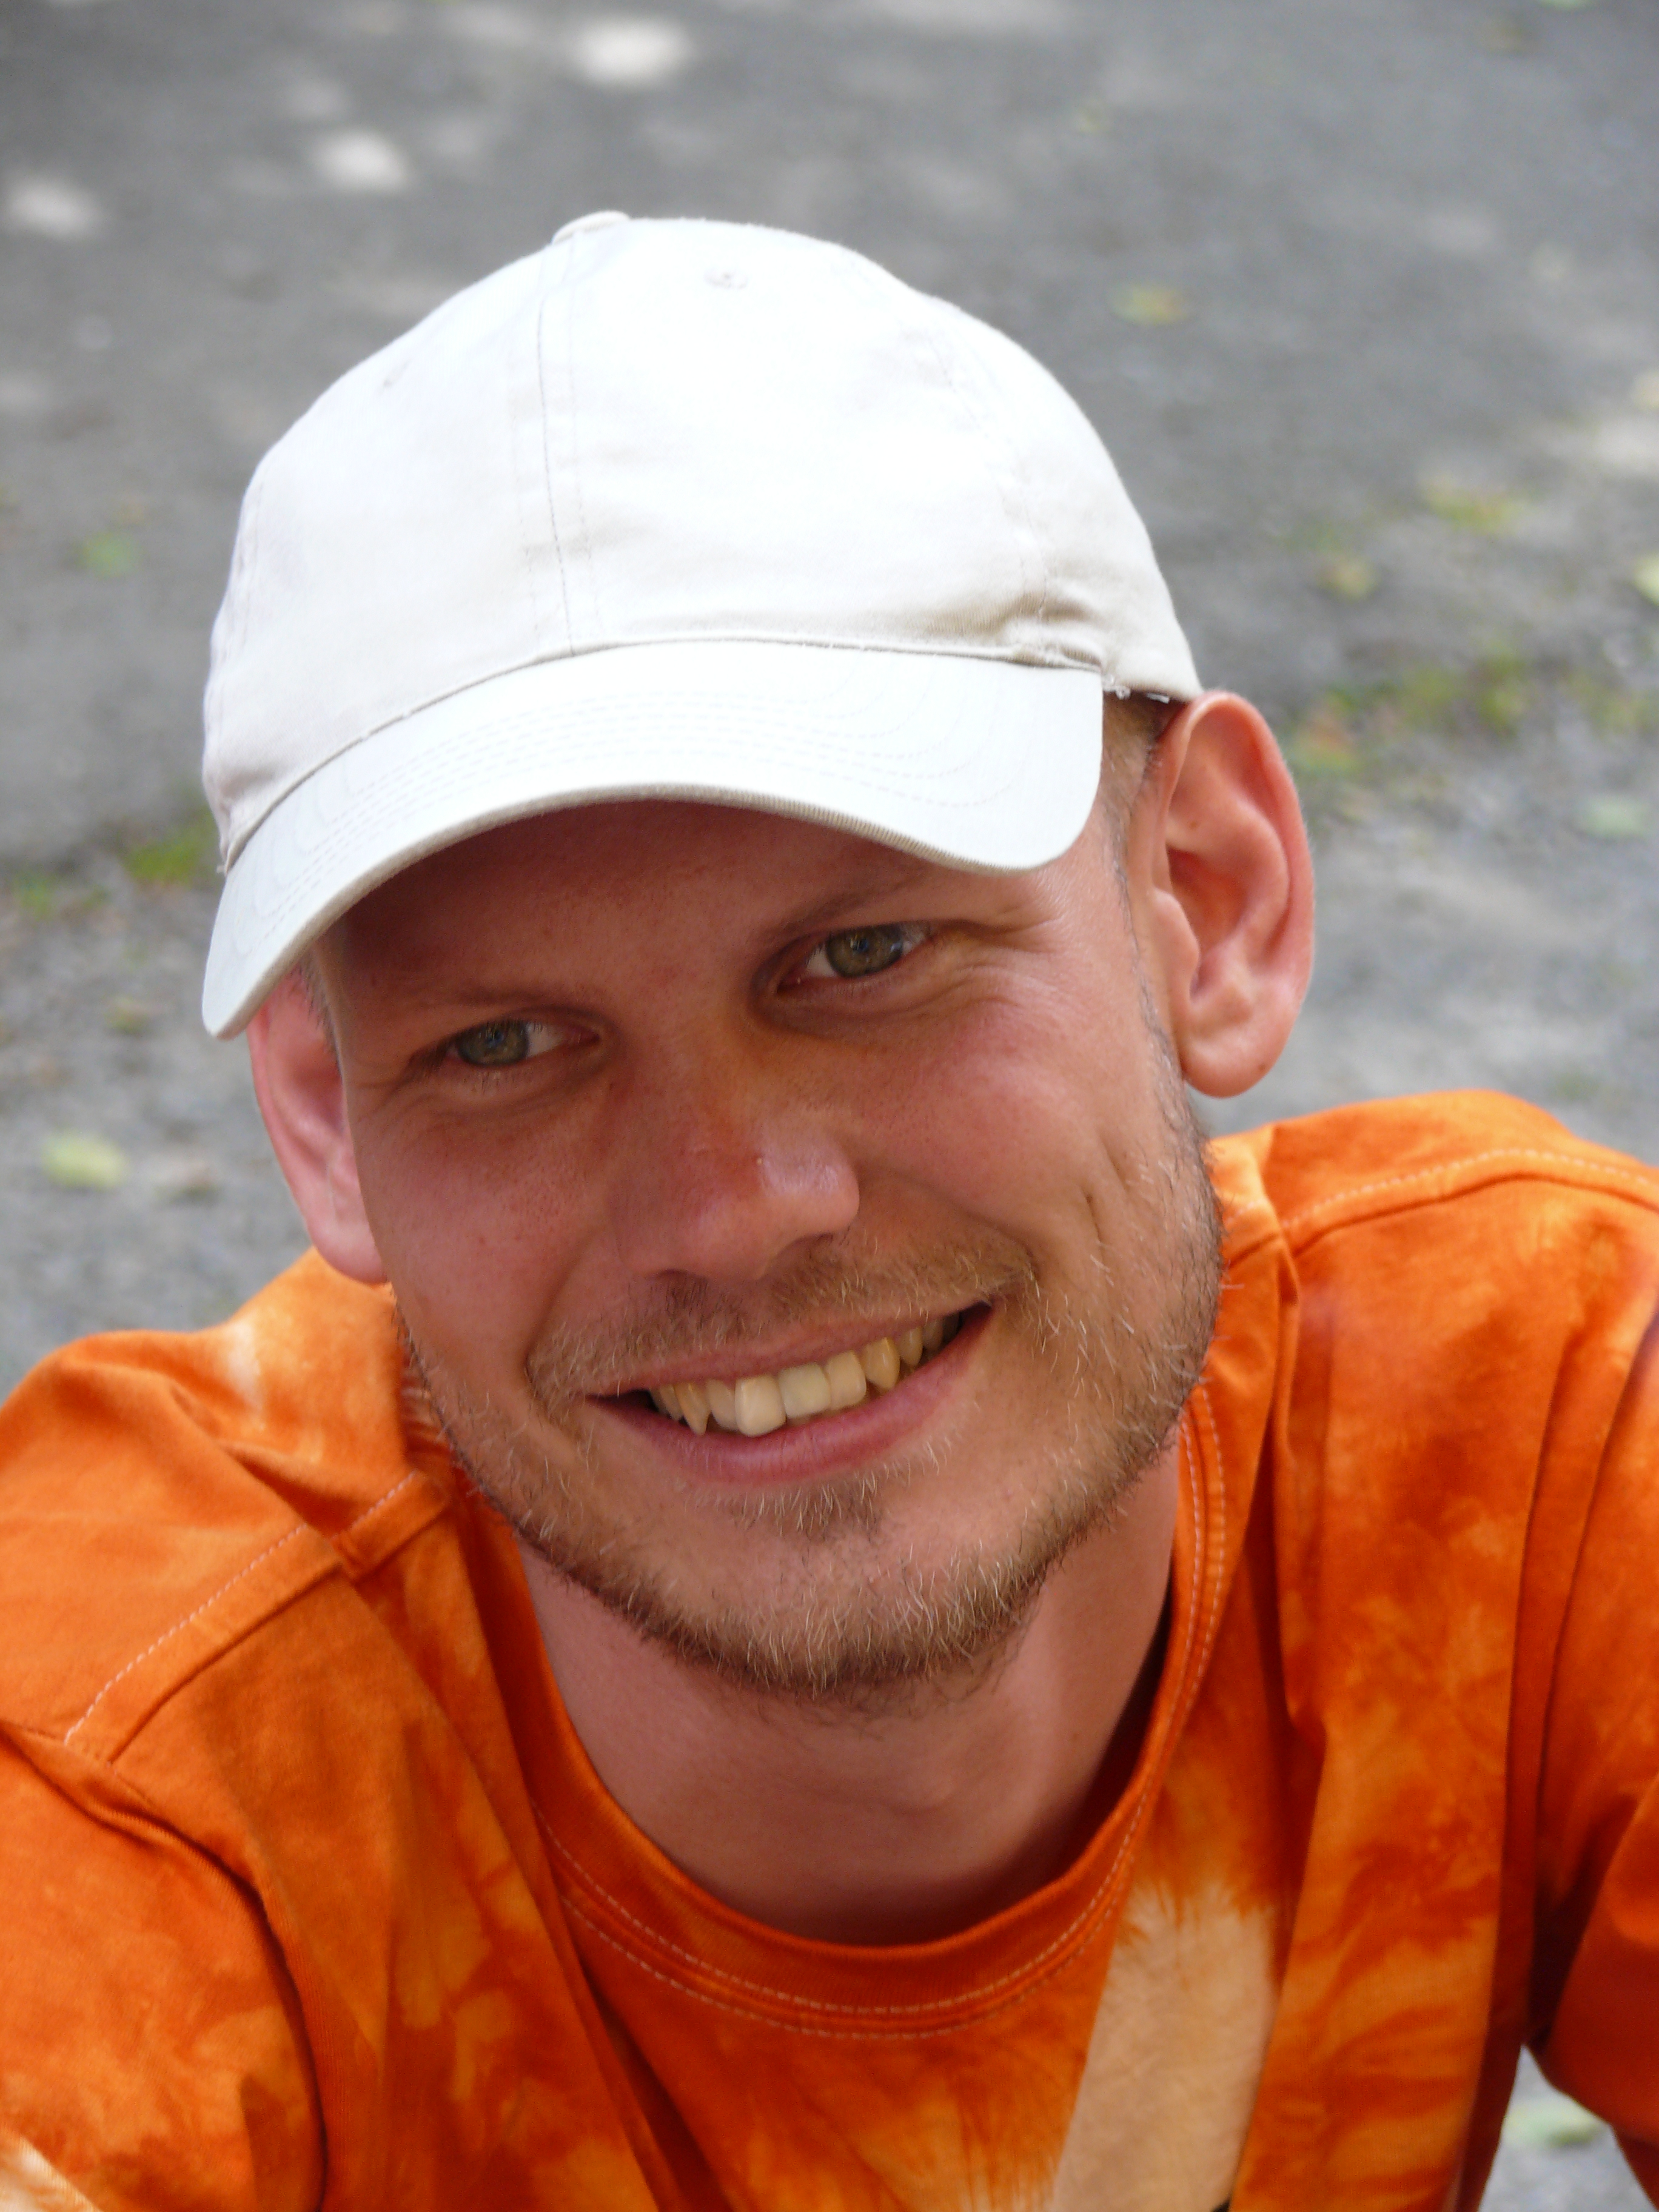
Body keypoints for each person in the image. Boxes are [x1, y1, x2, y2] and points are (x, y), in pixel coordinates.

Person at [1, 212, 1655, 2212]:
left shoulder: (1533, 1442)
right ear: (321, 1116)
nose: (732, 1211)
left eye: (865, 955)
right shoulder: (119, 1759)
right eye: (507, 1044)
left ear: (1209, 904)